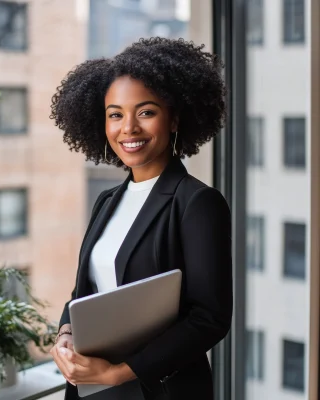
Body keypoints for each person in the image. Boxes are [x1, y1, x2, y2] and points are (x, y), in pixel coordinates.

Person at [49, 37, 232, 400]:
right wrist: (65, 335)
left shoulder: (198, 202)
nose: (128, 128)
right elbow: (83, 294)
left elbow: (209, 318)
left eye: (146, 112)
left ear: (175, 118)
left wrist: (119, 373)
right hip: (93, 389)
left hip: (161, 390)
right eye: (115, 114)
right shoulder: (106, 201)